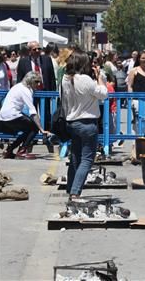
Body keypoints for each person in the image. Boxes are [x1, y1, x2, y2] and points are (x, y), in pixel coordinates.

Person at [62, 50, 108, 200]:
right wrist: (100, 78)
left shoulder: (66, 79)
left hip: (72, 122)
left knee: (75, 157)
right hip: (88, 123)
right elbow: (103, 94)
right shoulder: (86, 80)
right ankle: (75, 192)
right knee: (87, 159)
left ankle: (70, 189)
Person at [0, 72, 50, 159]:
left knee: (28, 130)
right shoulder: (26, 91)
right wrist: (41, 129)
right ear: (30, 81)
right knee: (34, 128)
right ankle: (22, 151)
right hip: (12, 115)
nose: (39, 84)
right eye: (36, 82)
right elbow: (33, 112)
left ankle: (9, 150)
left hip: (4, 116)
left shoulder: (18, 86)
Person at [16, 41, 57, 131]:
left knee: (46, 113)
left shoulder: (47, 59)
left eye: (39, 48)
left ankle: (46, 134)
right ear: (30, 51)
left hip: (44, 91)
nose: (37, 50)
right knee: (31, 114)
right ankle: (32, 135)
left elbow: (52, 77)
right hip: (30, 92)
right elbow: (20, 79)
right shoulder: (23, 61)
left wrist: (53, 92)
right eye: (35, 49)